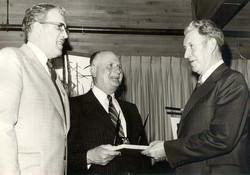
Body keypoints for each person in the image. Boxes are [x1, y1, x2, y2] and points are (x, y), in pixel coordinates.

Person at [142, 19, 250, 174]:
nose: (186, 55)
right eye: (186, 48)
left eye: (191, 46)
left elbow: (221, 138)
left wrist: (168, 149)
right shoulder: (205, 83)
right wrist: (167, 146)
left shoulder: (231, 81)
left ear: (212, 45)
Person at [0, 3, 70, 175]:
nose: (66, 35)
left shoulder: (55, 79)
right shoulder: (12, 58)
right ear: (38, 28)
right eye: (60, 27)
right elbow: (2, 126)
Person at [68, 51, 151, 174]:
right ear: (93, 71)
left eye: (119, 67)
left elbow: (144, 159)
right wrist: (88, 157)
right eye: (110, 65)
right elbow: (62, 157)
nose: (118, 71)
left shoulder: (131, 110)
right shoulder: (73, 106)